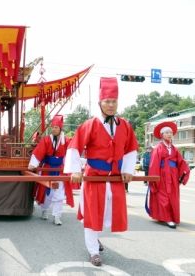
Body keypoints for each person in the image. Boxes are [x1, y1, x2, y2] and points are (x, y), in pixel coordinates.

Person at [64, 77, 139, 267]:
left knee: (108, 214)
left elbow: (131, 150)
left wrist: (129, 170)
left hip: (115, 178)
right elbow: (74, 148)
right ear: (100, 103)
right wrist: (75, 170)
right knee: (92, 214)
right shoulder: (90, 124)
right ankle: (93, 251)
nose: (111, 105)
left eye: (114, 101)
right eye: (107, 101)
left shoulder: (125, 125)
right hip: (94, 176)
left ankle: (96, 237)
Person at [28, 114, 74, 225]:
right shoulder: (46, 140)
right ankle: (44, 211)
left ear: (60, 128)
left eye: (55, 127)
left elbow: (73, 152)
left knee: (59, 193)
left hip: (60, 170)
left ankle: (57, 216)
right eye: (52, 127)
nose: (53, 129)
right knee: (46, 192)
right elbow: (39, 152)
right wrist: (32, 164)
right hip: (47, 168)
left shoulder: (67, 141)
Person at [148, 121, 189, 229]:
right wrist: (154, 179)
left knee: (173, 197)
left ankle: (172, 217)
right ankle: (168, 218)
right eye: (167, 132)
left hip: (173, 174)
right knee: (163, 197)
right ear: (161, 135)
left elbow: (181, 162)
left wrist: (183, 175)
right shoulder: (158, 148)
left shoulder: (175, 149)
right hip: (162, 174)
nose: (169, 134)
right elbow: (154, 164)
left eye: (170, 132)